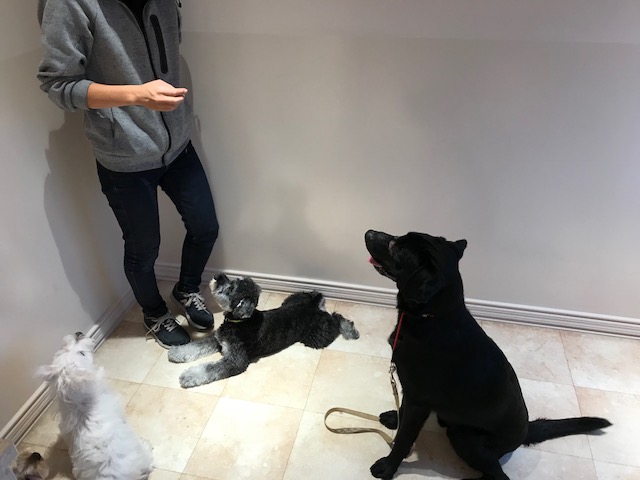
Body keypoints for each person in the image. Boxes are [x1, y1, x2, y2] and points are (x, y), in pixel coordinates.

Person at [37, 0, 219, 348]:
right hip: (124, 157)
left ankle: (187, 288)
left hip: (178, 144)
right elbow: (58, 85)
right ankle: (154, 313)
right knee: (143, 249)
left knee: (205, 227)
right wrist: (137, 95)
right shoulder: (69, 4)